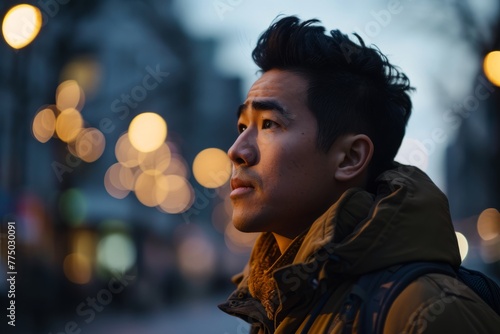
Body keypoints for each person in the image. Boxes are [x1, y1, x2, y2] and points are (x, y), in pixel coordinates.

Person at [218, 15, 500, 333]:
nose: (236, 150)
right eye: (243, 126)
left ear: (350, 158)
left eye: (269, 124)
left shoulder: (426, 311)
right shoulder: (274, 303)